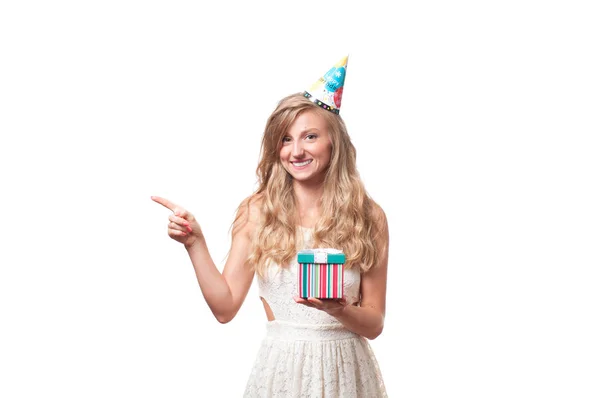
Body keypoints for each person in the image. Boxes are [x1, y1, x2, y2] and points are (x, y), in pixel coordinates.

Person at [152, 56, 389, 397]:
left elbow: (375, 323)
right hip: (283, 371)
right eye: (285, 139)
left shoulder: (369, 216)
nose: (296, 151)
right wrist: (195, 244)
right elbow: (225, 308)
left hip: (346, 372)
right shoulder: (259, 211)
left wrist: (339, 309)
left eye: (310, 136)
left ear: (332, 143)